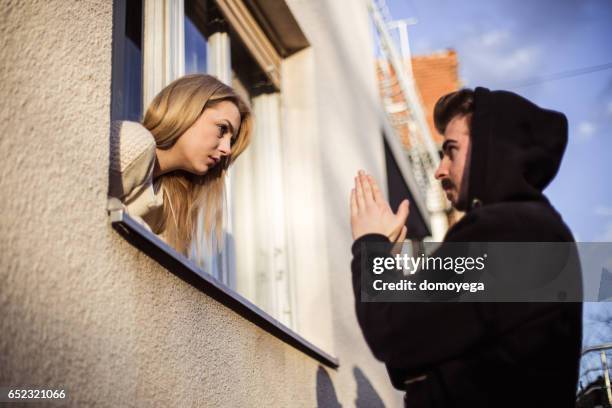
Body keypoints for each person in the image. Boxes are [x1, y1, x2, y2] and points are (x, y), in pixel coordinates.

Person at [349, 87, 582, 407]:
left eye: (451, 150)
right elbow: (413, 355)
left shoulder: (505, 233)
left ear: (492, 151)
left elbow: (390, 333)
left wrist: (370, 244)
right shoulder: (534, 231)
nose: (440, 169)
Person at [108, 74, 252, 262]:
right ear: (187, 110)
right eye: (222, 129)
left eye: (231, 140)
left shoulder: (175, 201)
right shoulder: (134, 141)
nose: (227, 149)